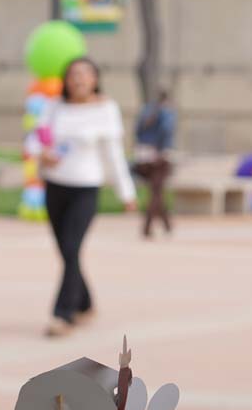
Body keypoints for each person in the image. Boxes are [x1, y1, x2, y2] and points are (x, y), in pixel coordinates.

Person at [37, 57, 136, 337]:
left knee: (71, 247)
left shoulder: (106, 109)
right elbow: (38, 137)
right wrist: (42, 154)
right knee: (67, 251)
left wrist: (125, 192)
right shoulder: (54, 107)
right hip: (55, 185)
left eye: (85, 74)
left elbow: (114, 155)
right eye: (73, 74)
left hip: (86, 187)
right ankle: (86, 302)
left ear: (95, 79)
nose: (78, 79)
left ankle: (63, 314)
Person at [133, 89, 176, 239]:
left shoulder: (145, 111)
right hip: (159, 156)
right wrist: (160, 149)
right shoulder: (166, 112)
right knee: (156, 192)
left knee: (156, 191)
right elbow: (166, 130)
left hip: (142, 155)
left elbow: (136, 131)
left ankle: (167, 224)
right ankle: (148, 226)